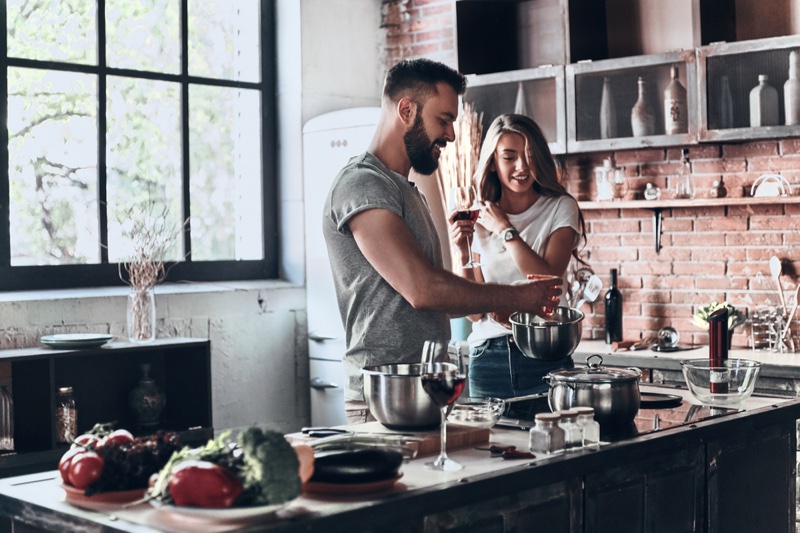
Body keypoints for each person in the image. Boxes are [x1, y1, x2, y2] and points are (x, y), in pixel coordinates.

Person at [323, 59, 563, 424]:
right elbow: (423, 289)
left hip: (425, 393)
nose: (451, 135)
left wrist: (483, 290)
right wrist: (518, 297)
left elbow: (438, 301)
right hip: (384, 401)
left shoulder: (408, 191)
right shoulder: (363, 185)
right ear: (406, 110)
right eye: (444, 119)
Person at [448, 113, 587, 399]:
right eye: (509, 157)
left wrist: (504, 229)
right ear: (493, 164)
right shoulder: (478, 215)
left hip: (546, 356)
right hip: (488, 359)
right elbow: (475, 313)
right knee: (491, 445)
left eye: (529, 155)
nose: (521, 166)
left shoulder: (560, 207)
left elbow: (547, 281)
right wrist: (462, 251)